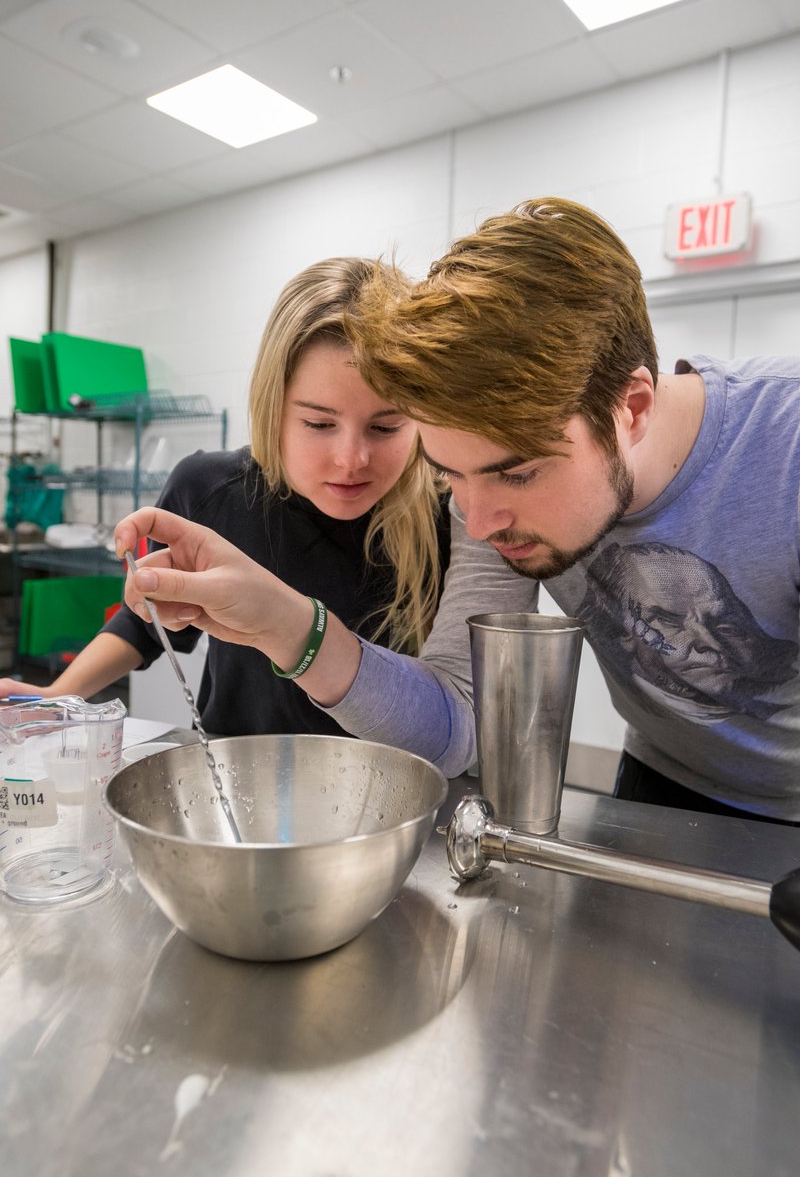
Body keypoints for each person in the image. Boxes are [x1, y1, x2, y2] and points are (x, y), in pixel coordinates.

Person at [113, 198, 800, 825]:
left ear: (633, 408)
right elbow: (454, 722)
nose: (480, 522)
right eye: (450, 474)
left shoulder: (785, 452)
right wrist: (287, 624)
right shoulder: (486, 504)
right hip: (663, 776)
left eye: (518, 473)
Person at [0, 257, 449, 738]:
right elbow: (145, 625)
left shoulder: (449, 511)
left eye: (386, 426)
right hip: (240, 777)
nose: (351, 458)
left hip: (396, 786)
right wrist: (60, 697)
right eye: (318, 424)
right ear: (271, 406)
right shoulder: (213, 492)